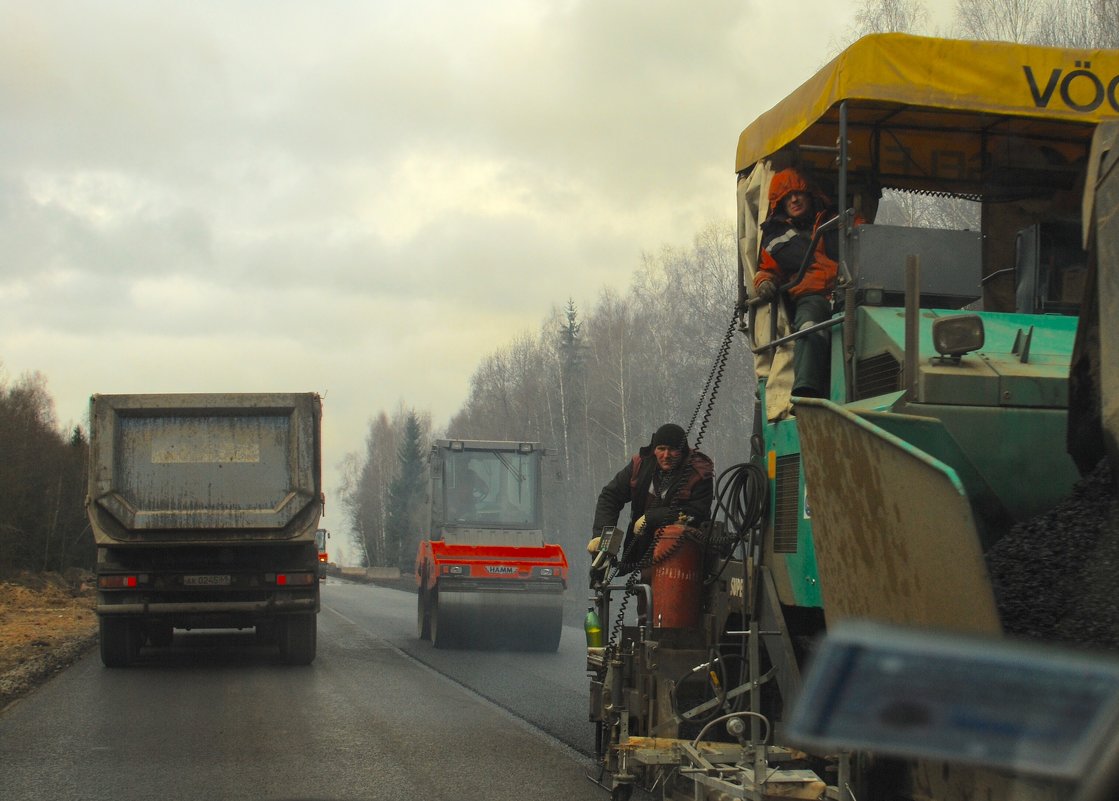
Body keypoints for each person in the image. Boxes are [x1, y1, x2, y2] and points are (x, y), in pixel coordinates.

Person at [753, 167, 851, 399]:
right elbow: (766, 269)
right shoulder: (777, 237)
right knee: (809, 326)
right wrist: (764, 282)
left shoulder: (837, 220)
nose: (794, 199)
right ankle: (806, 392)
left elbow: (865, 238)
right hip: (812, 296)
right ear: (780, 204)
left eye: (798, 193)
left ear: (810, 195)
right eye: (787, 197)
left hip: (849, 290)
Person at [589, 423, 714, 571]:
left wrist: (652, 517)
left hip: (685, 556)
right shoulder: (640, 465)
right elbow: (610, 496)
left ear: (683, 451)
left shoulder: (698, 473)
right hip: (644, 551)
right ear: (654, 449)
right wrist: (600, 536)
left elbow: (697, 513)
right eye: (661, 449)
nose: (666, 455)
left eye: (673, 449)